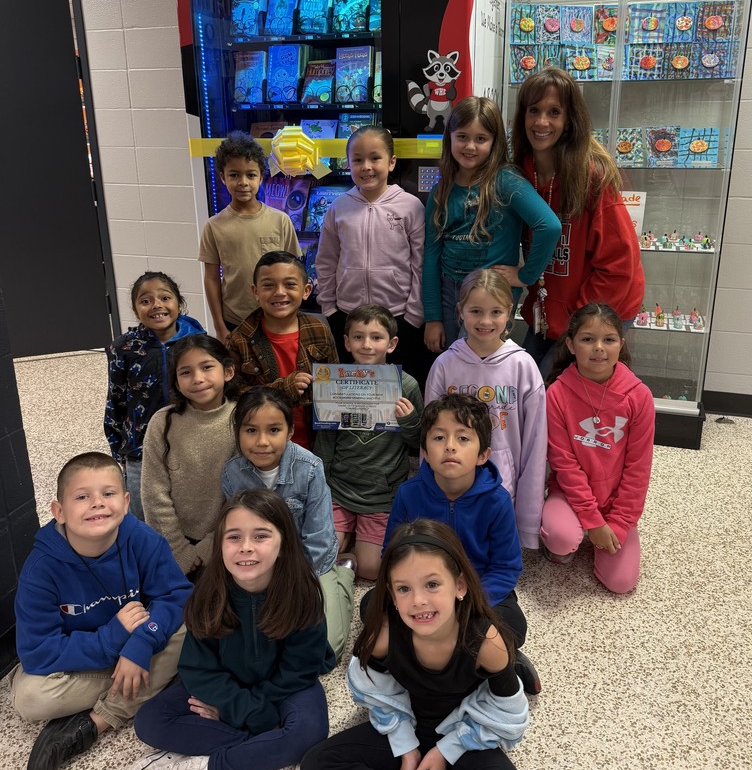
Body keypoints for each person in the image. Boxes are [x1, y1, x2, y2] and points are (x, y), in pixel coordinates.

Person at [301, 519, 534, 770]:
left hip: (463, 733)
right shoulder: (384, 634)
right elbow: (375, 694)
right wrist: (405, 746)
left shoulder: (486, 643)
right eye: (404, 589)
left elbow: (508, 716)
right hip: (405, 724)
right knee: (316, 765)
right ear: (391, 594)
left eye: (432, 584)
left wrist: (447, 751)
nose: (419, 601)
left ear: (460, 586)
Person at [115, 491, 335, 770]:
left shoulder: (303, 596)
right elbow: (198, 670)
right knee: (150, 721)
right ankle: (276, 760)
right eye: (234, 537)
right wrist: (246, 712)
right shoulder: (207, 594)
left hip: (282, 689)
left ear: (284, 544)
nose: (245, 547)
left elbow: (299, 673)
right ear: (220, 545)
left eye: (261, 536)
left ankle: (202, 769)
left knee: (309, 733)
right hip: (225, 685)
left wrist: (239, 713)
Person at [11, 451, 191, 770]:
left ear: (125, 503)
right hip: (85, 659)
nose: (97, 503)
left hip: (139, 646)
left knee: (190, 630)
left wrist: (140, 644)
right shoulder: (41, 570)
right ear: (59, 511)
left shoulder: (143, 539)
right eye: (82, 497)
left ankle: (96, 721)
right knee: (29, 698)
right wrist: (114, 637)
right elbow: (38, 652)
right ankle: (152, 681)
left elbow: (176, 596)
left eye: (108, 493)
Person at [382, 393, 540, 695]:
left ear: (483, 455)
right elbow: (391, 554)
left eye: (463, 438)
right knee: (372, 609)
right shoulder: (409, 493)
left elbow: (506, 568)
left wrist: (463, 606)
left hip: (478, 595)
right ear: (425, 451)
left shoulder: (497, 501)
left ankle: (496, 660)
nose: (450, 446)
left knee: (513, 625)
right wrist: (418, 595)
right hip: (423, 592)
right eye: (439, 437)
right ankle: (486, 661)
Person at [510, 67, 645, 375]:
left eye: (554, 112)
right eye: (534, 110)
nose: (541, 122)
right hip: (550, 308)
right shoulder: (519, 174)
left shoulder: (592, 177)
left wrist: (578, 325)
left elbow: (618, 267)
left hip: (598, 310)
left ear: (570, 120)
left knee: (552, 390)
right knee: (528, 384)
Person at [221, 387, 354, 662]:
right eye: (251, 430)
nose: (262, 442)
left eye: (273, 430)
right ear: (237, 432)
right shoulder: (232, 473)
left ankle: (344, 577)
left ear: (290, 431)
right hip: (259, 566)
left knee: (325, 650)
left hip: (308, 565)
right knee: (251, 642)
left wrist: (289, 585)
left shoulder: (310, 468)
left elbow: (318, 541)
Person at [423, 96, 560, 354]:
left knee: (480, 363)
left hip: (492, 293)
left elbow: (549, 226)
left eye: (481, 139)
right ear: (449, 137)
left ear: (494, 142)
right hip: (450, 290)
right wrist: (432, 317)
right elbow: (431, 254)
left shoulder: (506, 180)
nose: (470, 146)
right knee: (455, 362)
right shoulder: (440, 191)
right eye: (462, 137)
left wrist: (526, 276)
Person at [425, 270, 547, 549]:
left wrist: (527, 523)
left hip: (504, 488)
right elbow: (430, 436)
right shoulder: (444, 365)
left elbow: (535, 443)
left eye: (495, 312)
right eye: (476, 311)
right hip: (453, 486)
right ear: (461, 311)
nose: (485, 321)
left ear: (509, 312)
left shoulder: (523, 366)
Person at [541, 303, 654, 594]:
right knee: (561, 539)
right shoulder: (556, 394)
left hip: (616, 500)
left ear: (621, 344)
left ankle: (608, 535)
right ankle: (575, 532)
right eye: (588, 339)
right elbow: (564, 464)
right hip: (570, 494)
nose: (599, 348)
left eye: (609, 339)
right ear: (571, 345)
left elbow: (638, 469)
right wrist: (592, 521)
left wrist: (619, 523)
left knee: (620, 583)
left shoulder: (639, 396)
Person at [314, 304, 423, 580]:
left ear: (391, 344)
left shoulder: (407, 385)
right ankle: (347, 537)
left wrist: (409, 419)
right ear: (347, 342)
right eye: (358, 337)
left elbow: (417, 442)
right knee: (323, 556)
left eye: (376, 337)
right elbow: (325, 441)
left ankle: (354, 544)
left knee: (372, 570)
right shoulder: (333, 382)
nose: (367, 345)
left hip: (380, 494)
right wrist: (322, 485)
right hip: (340, 489)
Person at [314, 125, 425, 380]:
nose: (366, 167)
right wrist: (329, 308)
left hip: (397, 316)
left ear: (391, 162)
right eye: (358, 160)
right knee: (353, 385)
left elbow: (420, 264)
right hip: (347, 315)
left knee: (397, 387)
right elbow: (326, 260)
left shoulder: (410, 207)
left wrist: (414, 315)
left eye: (375, 158)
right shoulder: (338, 208)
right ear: (348, 163)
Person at [104, 271, 205, 520]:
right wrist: (119, 453)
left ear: (179, 303)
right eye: (146, 301)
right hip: (140, 452)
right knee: (145, 521)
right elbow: (115, 400)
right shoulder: (123, 348)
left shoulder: (198, 343)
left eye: (165, 298)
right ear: (135, 308)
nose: (157, 305)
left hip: (191, 448)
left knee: (191, 518)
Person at [140, 335, 240, 578]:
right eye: (185, 372)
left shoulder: (244, 419)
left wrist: (214, 542)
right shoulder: (162, 422)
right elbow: (154, 492)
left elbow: (246, 491)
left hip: (232, 539)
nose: (197, 378)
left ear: (228, 372)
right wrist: (177, 548)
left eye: (207, 367)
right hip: (175, 543)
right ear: (176, 381)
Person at [226, 249, 338, 451]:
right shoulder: (239, 339)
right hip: (263, 448)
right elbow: (232, 397)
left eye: (290, 284)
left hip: (314, 444)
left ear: (306, 291)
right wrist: (283, 389)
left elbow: (335, 385)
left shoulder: (319, 330)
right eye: (268, 285)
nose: (279, 292)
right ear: (255, 291)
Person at [198, 130, 300, 344]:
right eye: (234, 175)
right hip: (235, 320)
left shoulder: (280, 221)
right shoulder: (213, 226)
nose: (243, 182)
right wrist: (219, 326)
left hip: (277, 316)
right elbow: (211, 279)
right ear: (222, 177)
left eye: (251, 175)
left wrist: (292, 315)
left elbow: (295, 273)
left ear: (261, 177)